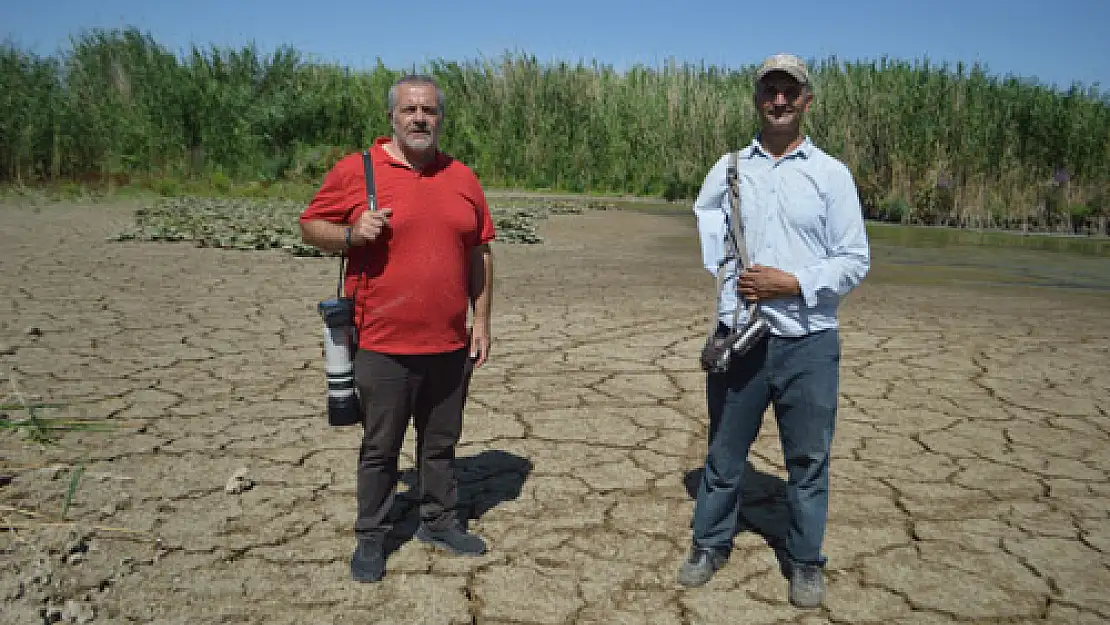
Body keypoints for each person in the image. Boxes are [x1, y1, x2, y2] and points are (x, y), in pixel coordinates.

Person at [678, 54, 870, 609]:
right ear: (758, 99)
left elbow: (855, 260)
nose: (780, 101)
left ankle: (806, 562)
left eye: (790, 91)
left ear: (807, 100)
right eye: (770, 91)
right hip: (742, 336)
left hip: (810, 341)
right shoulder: (733, 166)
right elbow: (705, 209)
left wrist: (794, 282)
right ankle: (709, 544)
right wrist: (724, 269)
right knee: (725, 451)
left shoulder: (831, 174)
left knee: (807, 461)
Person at [299, 74, 496, 583]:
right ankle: (372, 536)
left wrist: (483, 320)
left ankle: (439, 521)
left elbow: (479, 252)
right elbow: (309, 225)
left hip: (449, 343)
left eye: (429, 111)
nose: (420, 119)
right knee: (381, 448)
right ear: (392, 115)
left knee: (440, 443)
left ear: (441, 118)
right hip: (382, 343)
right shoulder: (357, 170)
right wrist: (349, 232)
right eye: (410, 110)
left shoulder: (463, 178)